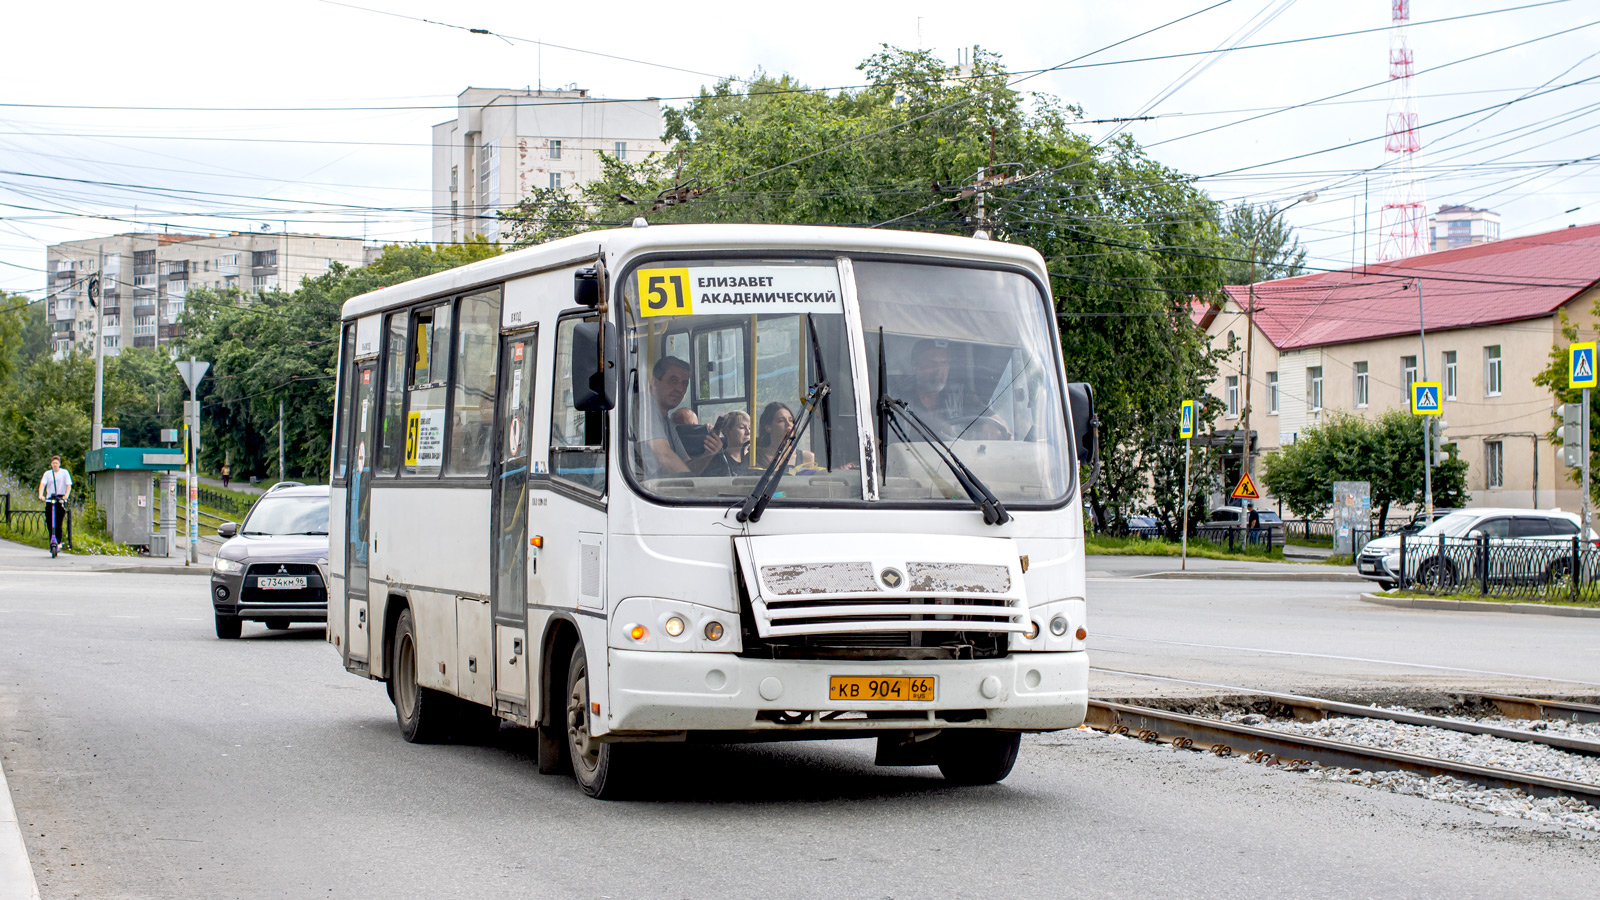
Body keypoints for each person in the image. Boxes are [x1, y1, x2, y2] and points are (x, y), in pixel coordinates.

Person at [637, 356, 721, 478]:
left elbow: (686, 466)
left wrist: (708, 455)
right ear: (654, 382)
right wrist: (695, 485)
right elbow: (664, 456)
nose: (679, 389)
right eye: (673, 380)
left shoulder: (667, 421)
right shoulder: (644, 405)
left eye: (684, 383)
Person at [700, 411, 755, 478]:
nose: (748, 432)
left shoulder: (756, 457)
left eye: (750, 428)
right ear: (727, 432)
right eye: (742, 427)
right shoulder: (719, 460)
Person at [37, 455, 72, 555]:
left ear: (59, 464)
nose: (55, 465)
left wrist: (66, 495)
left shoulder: (64, 473)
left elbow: (68, 485)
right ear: (51, 464)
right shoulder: (47, 474)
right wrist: (41, 495)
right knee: (49, 522)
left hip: (60, 499)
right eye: (53, 463)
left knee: (58, 522)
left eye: (56, 463)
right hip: (50, 499)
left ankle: (58, 542)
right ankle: (52, 541)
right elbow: (42, 484)